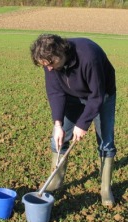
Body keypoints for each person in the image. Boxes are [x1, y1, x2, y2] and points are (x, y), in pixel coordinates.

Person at [30, 34, 116, 207]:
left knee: (106, 141)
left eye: (51, 63)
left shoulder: (89, 57)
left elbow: (96, 96)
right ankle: (55, 181)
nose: (48, 69)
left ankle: (105, 188)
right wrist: (58, 124)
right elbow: (55, 93)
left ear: (61, 53)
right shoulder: (50, 65)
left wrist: (82, 124)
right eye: (44, 65)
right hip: (71, 97)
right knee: (59, 138)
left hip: (101, 95)